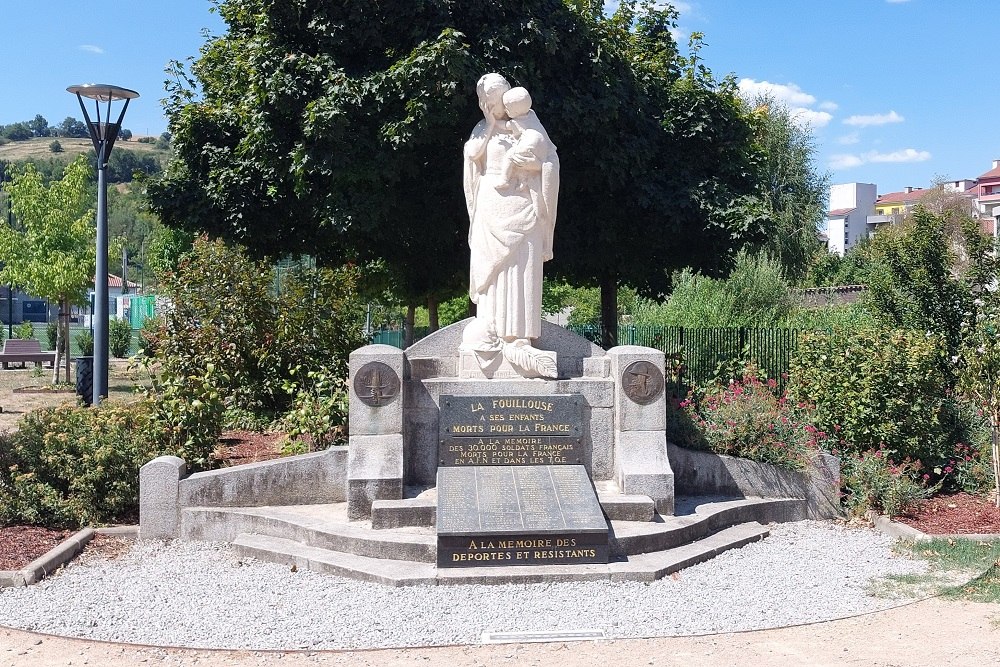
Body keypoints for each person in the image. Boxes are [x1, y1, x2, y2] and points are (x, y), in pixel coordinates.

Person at [462, 74, 559, 353]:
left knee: (522, 267)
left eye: (502, 95)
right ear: (485, 102)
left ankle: (520, 337)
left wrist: (536, 167)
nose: (499, 103)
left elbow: (549, 159)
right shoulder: (482, 129)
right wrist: (490, 126)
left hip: (524, 203)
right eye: (492, 99)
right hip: (491, 204)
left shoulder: (529, 125)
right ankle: (491, 330)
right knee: (491, 270)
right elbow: (472, 156)